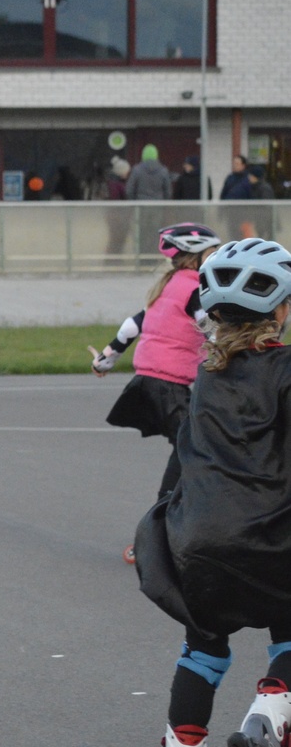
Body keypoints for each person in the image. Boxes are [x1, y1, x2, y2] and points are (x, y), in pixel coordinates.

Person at [134, 236, 291, 747]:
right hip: (272, 540)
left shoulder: (206, 376)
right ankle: (268, 718)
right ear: (280, 312)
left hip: (199, 543)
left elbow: (187, 461)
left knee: (202, 650)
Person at [90, 223, 223, 562]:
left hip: (147, 383)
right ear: (197, 258)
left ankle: (176, 525)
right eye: (212, 254)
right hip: (168, 387)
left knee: (192, 449)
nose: (216, 259)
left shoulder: (168, 286)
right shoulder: (195, 290)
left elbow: (131, 326)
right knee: (194, 449)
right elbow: (210, 328)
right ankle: (157, 532)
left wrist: (106, 358)